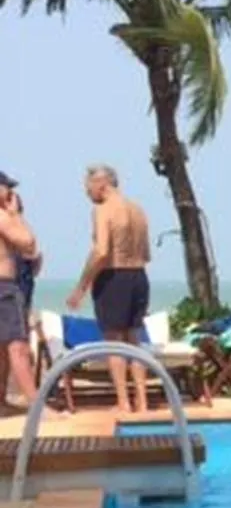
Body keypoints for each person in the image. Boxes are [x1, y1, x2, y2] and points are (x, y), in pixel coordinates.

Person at [65, 164, 151, 414]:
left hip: (114, 278)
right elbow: (146, 253)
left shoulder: (103, 210)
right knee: (134, 341)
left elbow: (102, 251)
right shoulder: (138, 210)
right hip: (139, 276)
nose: (86, 193)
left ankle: (124, 403)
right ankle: (142, 402)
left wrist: (81, 287)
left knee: (114, 342)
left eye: (87, 187)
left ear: (100, 184)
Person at [0, 171, 42, 412]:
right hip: (4, 287)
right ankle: (37, 406)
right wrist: (15, 215)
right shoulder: (4, 216)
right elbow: (28, 243)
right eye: (8, 188)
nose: (12, 193)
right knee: (18, 346)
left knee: (2, 350)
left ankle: (1, 401)